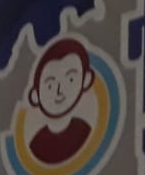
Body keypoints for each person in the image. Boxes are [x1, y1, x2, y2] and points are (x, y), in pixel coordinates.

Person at [26, 37, 96, 165]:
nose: (59, 90)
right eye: (50, 86)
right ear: (35, 95)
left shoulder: (86, 131)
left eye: (70, 79)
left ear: (86, 80)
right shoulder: (36, 144)